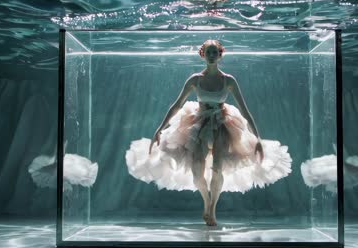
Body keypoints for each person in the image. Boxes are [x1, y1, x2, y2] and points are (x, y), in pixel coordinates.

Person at [125, 40, 292, 226]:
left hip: (223, 123)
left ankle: (212, 210)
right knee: (197, 170)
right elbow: (177, 105)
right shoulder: (195, 79)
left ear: (220, 55)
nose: (211, 55)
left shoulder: (228, 80)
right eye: (208, 52)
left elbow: (244, 110)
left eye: (215, 52)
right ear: (202, 54)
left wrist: (258, 138)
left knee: (218, 168)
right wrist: (159, 129)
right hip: (199, 123)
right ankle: (206, 201)